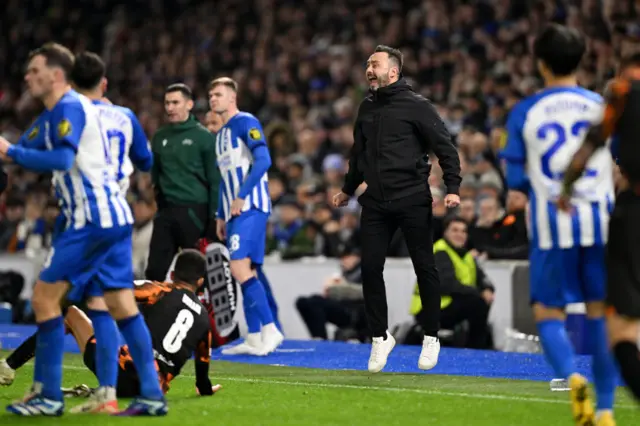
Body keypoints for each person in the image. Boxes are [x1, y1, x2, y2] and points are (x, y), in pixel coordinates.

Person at [0, 43, 165, 416]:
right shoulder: (120, 115)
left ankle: (48, 396)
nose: (28, 78)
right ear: (103, 83)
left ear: (63, 76)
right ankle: (140, 395)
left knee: (45, 298)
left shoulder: (71, 108)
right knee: (114, 305)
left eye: (35, 71)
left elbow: (56, 155)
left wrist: (11, 153)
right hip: (116, 214)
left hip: (88, 218)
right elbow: (145, 160)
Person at [501, 24, 617, 426]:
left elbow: (515, 179)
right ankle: (604, 410)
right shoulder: (601, 105)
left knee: (549, 311)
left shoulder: (525, 112)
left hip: (552, 228)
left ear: (541, 63)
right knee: (602, 315)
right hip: (601, 225)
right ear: (582, 60)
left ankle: (571, 377)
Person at [332, 45, 462, 373]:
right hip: (375, 200)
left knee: (424, 266)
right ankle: (380, 337)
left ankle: (431, 336)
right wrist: (348, 189)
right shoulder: (366, 108)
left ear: (393, 71)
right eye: (366, 64)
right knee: (371, 267)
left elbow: (445, 147)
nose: (368, 69)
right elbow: (358, 154)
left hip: (412, 197)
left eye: (374, 64)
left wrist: (453, 188)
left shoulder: (418, 106)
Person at [0, 249, 220, 400]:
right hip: (152, 389)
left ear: (173, 274)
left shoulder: (160, 290)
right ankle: (94, 392)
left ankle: (8, 367)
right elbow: (202, 378)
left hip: (121, 371)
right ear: (201, 281)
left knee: (70, 315)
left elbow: (118, 290)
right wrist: (206, 389)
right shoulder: (204, 322)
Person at [559, 53, 640, 405]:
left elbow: (593, 139)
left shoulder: (623, 91)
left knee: (619, 332)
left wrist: (566, 186)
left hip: (633, 216)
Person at [209, 77, 283, 355]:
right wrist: (220, 215)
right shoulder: (221, 136)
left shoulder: (245, 122)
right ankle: (254, 337)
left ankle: (271, 328)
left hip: (250, 206)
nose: (213, 99)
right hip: (233, 212)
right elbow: (224, 179)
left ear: (232, 97)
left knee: (240, 268)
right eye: (210, 95)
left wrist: (241, 196)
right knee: (247, 271)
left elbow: (264, 160)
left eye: (218, 94)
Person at [146, 83, 220, 282]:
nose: (170, 108)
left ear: (189, 104)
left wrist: (213, 218)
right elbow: (156, 174)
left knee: (196, 274)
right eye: (167, 103)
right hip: (166, 212)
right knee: (153, 272)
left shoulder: (204, 138)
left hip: (194, 212)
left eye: (175, 102)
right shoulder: (160, 137)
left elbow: (215, 181)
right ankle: (152, 313)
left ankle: (201, 313)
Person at [71, 51, 153, 193]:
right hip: (116, 205)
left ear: (71, 86)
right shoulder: (125, 116)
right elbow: (146, 162)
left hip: (75, 203)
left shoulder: (63, 118)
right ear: (104, 84)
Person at [411, 217, 495, 349]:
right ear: (446, 233)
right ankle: (476, 348)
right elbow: (446, 284)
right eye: (455, 230)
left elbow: (482, 278)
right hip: (428, 308)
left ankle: (477, 345)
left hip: (449, 304)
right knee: (477, 302)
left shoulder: (466, 255)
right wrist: (478, 292)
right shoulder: (440, 251)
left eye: (463, 231)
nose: (459, 235)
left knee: (480, 300)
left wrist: (487, 289)